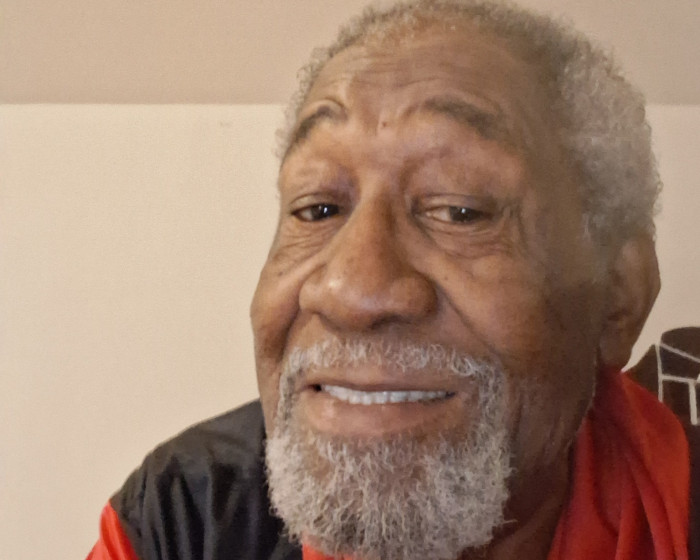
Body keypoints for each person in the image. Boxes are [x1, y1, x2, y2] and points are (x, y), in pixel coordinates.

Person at [87, 1, 698, 559]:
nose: (349, 291)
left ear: (618, 298)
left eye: (459, 210)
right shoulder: (183, 520)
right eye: (317, 209)